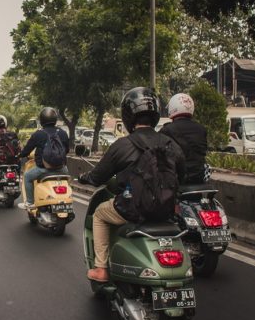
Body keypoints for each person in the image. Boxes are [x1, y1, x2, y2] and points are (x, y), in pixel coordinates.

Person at [78, 87, 186, 282]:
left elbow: (98, 176)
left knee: (100, 214)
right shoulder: (171, 144)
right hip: (166, 210)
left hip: (134, 209)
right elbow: (182, 176)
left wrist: (85, 177)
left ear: (128, 115)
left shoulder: (123, 145)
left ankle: (101, 269)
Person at [17, 107, 69, 210]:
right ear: (55, 119)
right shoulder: (63, 133)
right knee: (67, 179)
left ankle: (30, 203)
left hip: (43, 169)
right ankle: (67, 199)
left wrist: (19, 155)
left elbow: (26, 151)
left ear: (41, 120)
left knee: (27, 176)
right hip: (62, 169)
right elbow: (66, 150)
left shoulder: (38, 134)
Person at [159, 93, 208, 184]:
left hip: (177, 180)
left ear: (172, 108)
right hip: (199, 178)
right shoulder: (201, 129)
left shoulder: (167, 130)